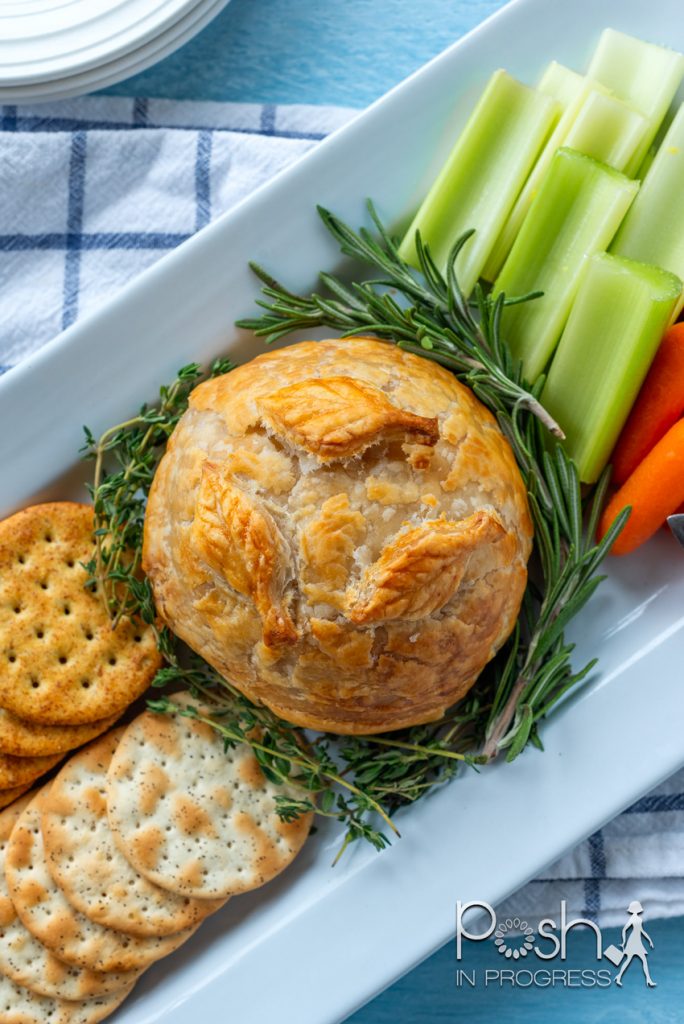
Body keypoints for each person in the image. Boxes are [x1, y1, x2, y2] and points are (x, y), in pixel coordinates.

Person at [615, 900, 656, 988]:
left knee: (634, 960)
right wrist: (623, 942)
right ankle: (648, 980)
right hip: (633, 941)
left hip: (637, 940)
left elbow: (641, 931)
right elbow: (624, 929)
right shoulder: (633, 919)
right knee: (639, 960)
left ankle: (619, 977)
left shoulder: (638, 919)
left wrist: (649, 940)